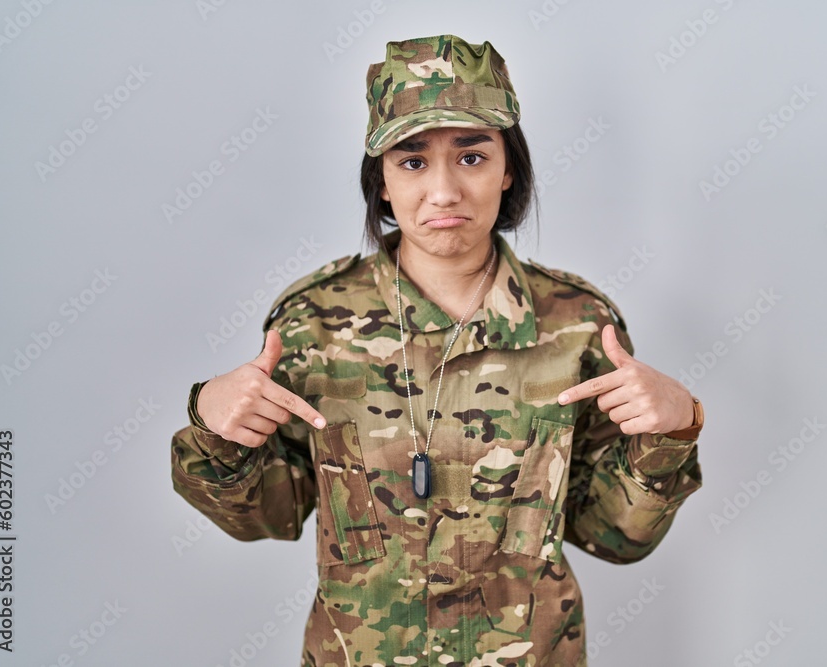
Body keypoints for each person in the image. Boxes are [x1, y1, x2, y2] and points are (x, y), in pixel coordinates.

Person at [170, 33, 704, 666]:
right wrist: (215, 430)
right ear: (383, 184)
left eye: (472, 157)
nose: (445, 191)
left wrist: (671, 432)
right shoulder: (313, 324)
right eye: (413, 161)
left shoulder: (579, 325)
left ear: (510, 170)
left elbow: (613, 536)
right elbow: (265, 517)